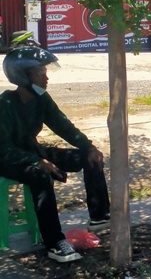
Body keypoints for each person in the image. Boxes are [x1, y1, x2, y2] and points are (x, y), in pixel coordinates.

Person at [0, 47, 110, 263]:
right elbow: (4, 149)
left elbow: (63, 126)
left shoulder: (42, 100)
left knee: (86, 157)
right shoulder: (5, 105)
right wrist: (36, 161)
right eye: (40, 73)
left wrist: (88, 147)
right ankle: (54, 243)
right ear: (23, 76)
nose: (46, 77)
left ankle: (99, 217)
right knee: (40, 176)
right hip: (6, 159)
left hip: (33, 152)